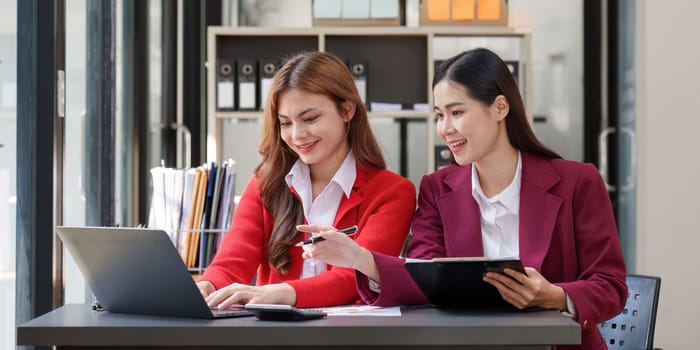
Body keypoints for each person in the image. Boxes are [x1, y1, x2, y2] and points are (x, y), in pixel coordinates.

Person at [300, 48, 626, 350]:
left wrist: (555, 296)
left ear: (500, 107)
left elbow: (611, 286)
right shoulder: (436, 189)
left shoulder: (577, 182)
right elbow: (423, 279)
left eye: (456, 112)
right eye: (439, 115)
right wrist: (360, 258)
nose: (445, 128)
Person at [196, 51, 416, 309]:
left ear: (347, 110)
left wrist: (279, 293)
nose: (297, 135)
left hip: (352, 337)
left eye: (310, 119)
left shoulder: (393, 192)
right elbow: (231, 263)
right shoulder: (265, 184)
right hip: (278, 336)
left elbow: (354, 278)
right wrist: (207, 286)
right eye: (285, 123)